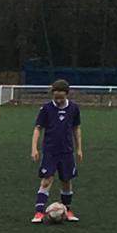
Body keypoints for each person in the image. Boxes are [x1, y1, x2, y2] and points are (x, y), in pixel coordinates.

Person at [30, 79, 82, 223]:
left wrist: (79, 149)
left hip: (67, 151)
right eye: (56, 97)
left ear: (67, 95)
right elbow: (38, 128)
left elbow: (76, 128)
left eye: (61, 97)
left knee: (66, 181)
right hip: (50, 151)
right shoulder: (46, 109)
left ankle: (67, 209)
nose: (58, 100)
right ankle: (39, 212)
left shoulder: (73, 108)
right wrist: (34, 148)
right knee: (47, 181)